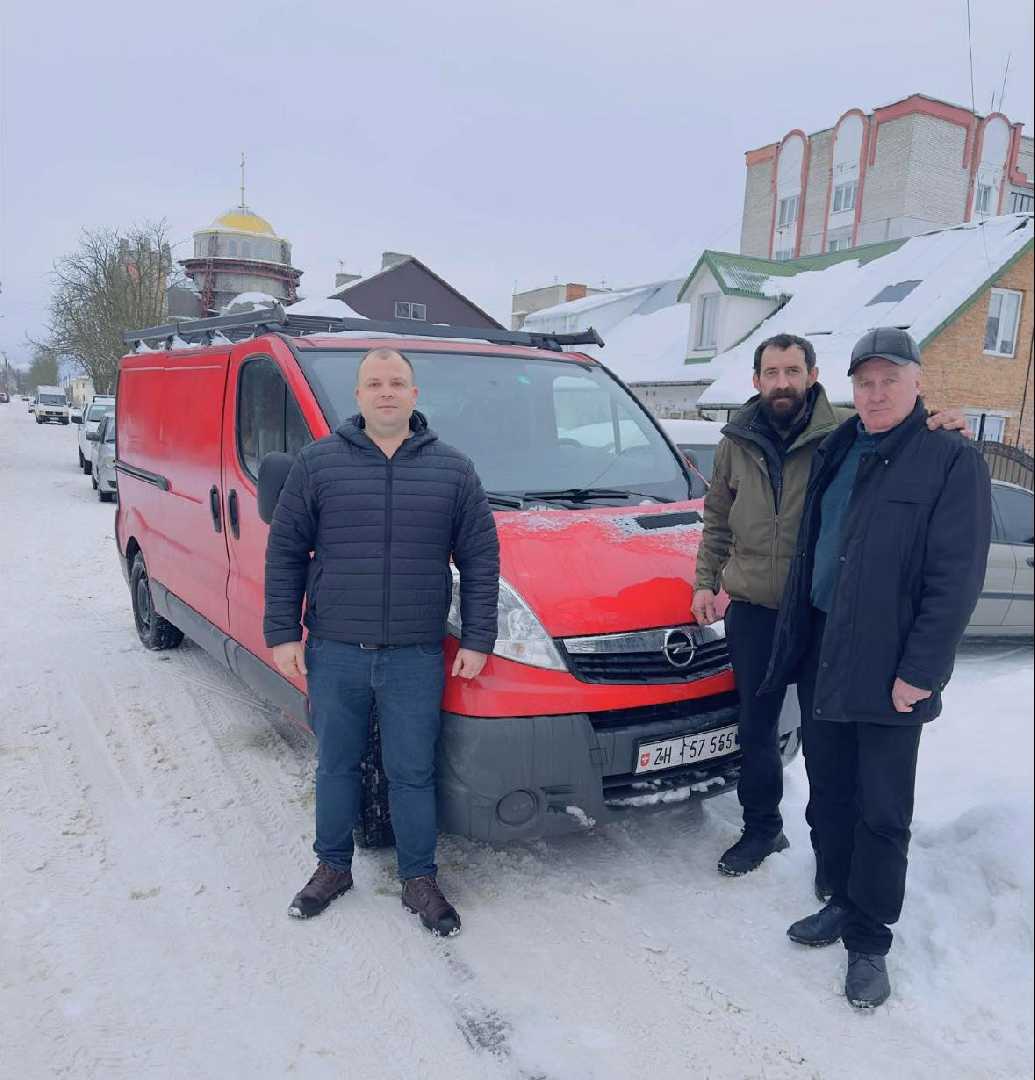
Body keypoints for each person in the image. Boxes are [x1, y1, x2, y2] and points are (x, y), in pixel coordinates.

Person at [762, 328, 991, 1009]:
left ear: (918, 383)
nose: (876, 391)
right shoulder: (839, 445)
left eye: (889, 378)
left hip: (891, 664)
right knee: (827, 791)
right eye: (864, 381)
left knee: (881, 809)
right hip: (824, 648)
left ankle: (869, 937)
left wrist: (921, 671)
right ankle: (837, 897)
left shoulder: (950, 459)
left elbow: (954, 582)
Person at [693, 333, 968, 889]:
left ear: (813, 375)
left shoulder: (838, 433)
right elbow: (717, 519)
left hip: (821, 614)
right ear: (756, 381)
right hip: (753, 607)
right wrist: (706, 581)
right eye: (771, 373)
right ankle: (762, 827)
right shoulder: (736, 441)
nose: (782, 382)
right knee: (757, 727)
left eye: (793, 371)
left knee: (826, 743)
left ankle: (831, 855)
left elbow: (896, 427)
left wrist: (942, 421)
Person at [264, 346, 500, 936]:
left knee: (412, 772)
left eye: (398, 382)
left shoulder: (453, 469)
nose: (387, 391)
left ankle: (418, 878)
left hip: (416, 655)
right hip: (335, 649)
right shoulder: (318, 464)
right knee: (337, 765)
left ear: (415, 396)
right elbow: (286, 554)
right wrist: (281, 632)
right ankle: (332, 866)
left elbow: (480, 561)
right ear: (359, 395)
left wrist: (476, 638)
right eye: (375, 383)